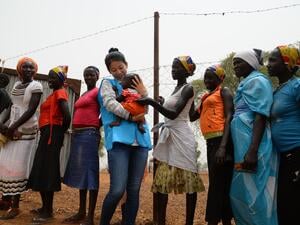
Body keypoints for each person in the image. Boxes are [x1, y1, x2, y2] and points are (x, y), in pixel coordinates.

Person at [138, 56, 205, 225]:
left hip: (182, 138)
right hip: (169, 138)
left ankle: (188, 222)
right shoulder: (177, 89)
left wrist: (152, 103)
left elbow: (175, 115)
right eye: (173, 67)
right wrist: (162, 103)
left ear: (186, 70)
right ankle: (161, 221)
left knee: (189, 182)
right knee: (162, 182)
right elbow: (179, 113)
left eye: (177, 68)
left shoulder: (188, 88)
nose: (173, 70)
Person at [98, 48, 152, 225]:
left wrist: (144, 93)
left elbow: (145, 109)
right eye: (114, 70)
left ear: (126, 65)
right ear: (109, 71)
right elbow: (110, 103)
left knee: (134, 189)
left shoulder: (135, 82)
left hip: (140, 141)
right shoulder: (107, 83)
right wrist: (130, 116)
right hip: (119, 140)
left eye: (121, 67)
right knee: (117, 190)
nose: (119, 72)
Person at [230, 50, 278, 225]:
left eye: (239, 62)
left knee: (256, 195)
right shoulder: (247, 83)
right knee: (242, 191)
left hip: (254, 145)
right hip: (243, 144)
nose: (235, 66)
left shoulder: (258, 81)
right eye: (234, 63)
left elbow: (260, 115)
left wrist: (252, 151)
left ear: (251, 63)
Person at [190, 64, 233, 225]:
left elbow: (229, 116)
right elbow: (193, 117)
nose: (207, 80)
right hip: (211, 143)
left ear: (220, 79)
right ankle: (224, 220)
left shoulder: (224, 91)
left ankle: (213, 221)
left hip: (222, 141)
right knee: (218, 183)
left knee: (218, 185)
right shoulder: (206, 97)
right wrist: (190, 98)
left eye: (210, 77)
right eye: (205, 77)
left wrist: (223, 147)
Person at [0, 57, 43, 219]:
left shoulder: (36, 86)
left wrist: (12, 127)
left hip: (25, 131)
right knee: (5, 164)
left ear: (35, 70)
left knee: (17, 168)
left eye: (31, 68)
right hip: (11, 128)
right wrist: (3, 124)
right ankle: (6, 200)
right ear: (19, 69)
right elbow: (12, 106)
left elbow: (31, 110)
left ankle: (16, 207)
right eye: (24, 67)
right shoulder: (17, 85)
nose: (28, 70)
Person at [27, 66, 71, 223]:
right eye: (49, 77)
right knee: (41, 169)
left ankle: (48, 211)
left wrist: (59, 133)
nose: (50, 80)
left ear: (60, 79)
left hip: (53, 134)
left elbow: (67, 116)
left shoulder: (60, 93)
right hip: (47, 134)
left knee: (48, 171)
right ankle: (44, 207)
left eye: (53, 77)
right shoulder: (54, 94)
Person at [62, 66, 100, 225]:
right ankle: (81, 212)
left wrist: (96, 125)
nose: (88, 77)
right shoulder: (84, 93)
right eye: (86, 75)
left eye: (91, 74)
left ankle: (90, 217)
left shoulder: (98, 92)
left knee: (90, 173)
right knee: (82, 174)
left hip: (89, 135)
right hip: (78, 136)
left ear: (97, 76)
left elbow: (106, 112)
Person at [267, 45, 300, 225]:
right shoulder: (278, 90)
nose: (268, 64)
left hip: (296, 154)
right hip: (282, 158)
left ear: (287, 63)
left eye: (273, 60)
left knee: (293, 209)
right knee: (284, 209)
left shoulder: (297, 86)